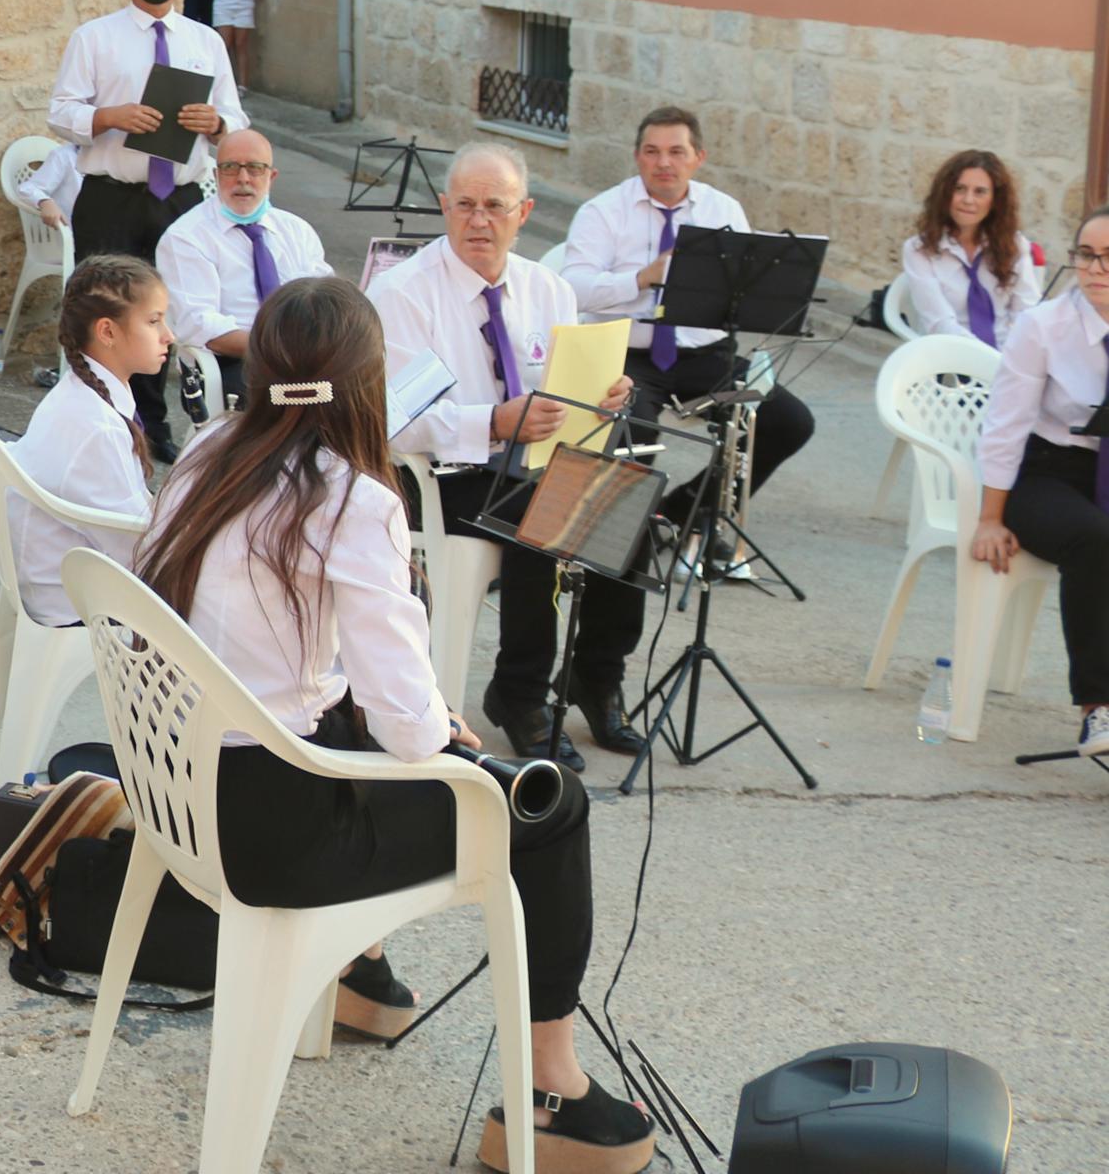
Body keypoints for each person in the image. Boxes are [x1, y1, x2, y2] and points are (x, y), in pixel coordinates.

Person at [131, 275, 653, 1174]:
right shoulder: (352, 499)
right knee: (548, 805)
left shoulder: (211, 448)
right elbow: (411, 735)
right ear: (369, 385)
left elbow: (307, 675)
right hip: (274, 837)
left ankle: (360, 969)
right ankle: (553, 1088)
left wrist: (406, 715)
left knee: (349, 709)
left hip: (177, 793)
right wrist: (439, 731)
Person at [370, 143, 636, 770]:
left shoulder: (548, 288)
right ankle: (518, 692)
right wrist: (493, 422)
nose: (479, 220)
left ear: (525, 213)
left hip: (532, 465)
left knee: (630, 510)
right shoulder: (404, 294)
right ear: (444, 207)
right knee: (539, 521)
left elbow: (566, 389)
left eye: (495, 206)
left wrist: (605, 395)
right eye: (464, 205)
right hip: (442, 476)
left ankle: (597, 678)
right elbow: (395, 423)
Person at [555, 106, 816, 603]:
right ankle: (618, 554)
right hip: (628, 355)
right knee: (637, 430)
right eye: (652, 152)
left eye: (677, 152)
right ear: (637, 157)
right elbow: (573, 287)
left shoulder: (724, 211)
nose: (664, 163)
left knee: (788, 421)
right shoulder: (602, 212)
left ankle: (676, 516)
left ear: (699, 157)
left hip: (708, 353)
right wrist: (642, 278)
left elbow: (746, 289)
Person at [47, 0, 243, 461]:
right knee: (103, 316)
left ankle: (155, 426)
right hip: (112, 196)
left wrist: (217, 123)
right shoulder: (95, 37)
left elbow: (238, 119)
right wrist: (109, 116)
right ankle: (100, 424)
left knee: (167, 316)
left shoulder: (206, 42)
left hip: (179, 198)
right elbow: (61, 112)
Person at [972, 203, 1109, 760]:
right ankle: (1098, 710)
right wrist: (988, 516)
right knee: (1097, 540)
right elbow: (1005, 426)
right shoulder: (1043, 326)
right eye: (1086, 255)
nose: (1096, 267)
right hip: (1047, 470)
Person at [5, 256, 164, 625]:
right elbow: (136, 551)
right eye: (154, 321)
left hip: (58, 582)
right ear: (107, 331)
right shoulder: (97, 427)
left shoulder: (80, 395)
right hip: (74, 601)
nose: (168, 335)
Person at [155, 127, 331, 406]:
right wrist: (276, 349)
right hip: (232, 360)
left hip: (300, 355)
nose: (243, 178)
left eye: (255, 168)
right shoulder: (185, 237)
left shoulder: (297, 230)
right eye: (230, 168)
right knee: (299, 400)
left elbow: (325, 299)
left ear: (271, 177)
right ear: (215, 175)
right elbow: (199, 323)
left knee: (357, 389)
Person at [899, 149, 1040, 345]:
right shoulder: (919, 250)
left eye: (980, 192)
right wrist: (983, 360)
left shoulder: (1015, 245)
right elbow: (939, 323)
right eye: (959, 189)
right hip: (949, 356)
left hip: (1006, 356)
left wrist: (1012, 358)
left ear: (995, 200)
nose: (968, 200)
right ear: (945, 193)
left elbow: (1026, 312)